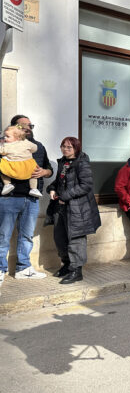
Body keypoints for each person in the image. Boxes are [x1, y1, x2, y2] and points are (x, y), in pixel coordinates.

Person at [0, 115, 51, 288]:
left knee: (27, 235)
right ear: (15, 128)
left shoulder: (38, 147)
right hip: (9, 197)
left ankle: (23, 268)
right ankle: (0, 269)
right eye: (24, 125)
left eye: (30, 125)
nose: (28, 128)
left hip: (32, 198)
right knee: (3, 236)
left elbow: (49, 169)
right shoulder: (4, 144)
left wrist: (45, 172)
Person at [46, 137, 101, 284]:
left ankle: (77, 271)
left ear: (76, 148)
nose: (65, 149)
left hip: (78, 209)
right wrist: (51, 189)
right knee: (60, 238)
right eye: (63, 146)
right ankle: (67, 265)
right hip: (61, 207)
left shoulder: (82, 163)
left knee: (76, 240)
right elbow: (59, 182)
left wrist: (65, 195)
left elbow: (86, 185)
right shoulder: (63, 162)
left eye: (69, 147)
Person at [0, 125, 41, 197]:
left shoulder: (6, 145)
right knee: (34, 172)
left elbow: (1, 151)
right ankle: (34, 188)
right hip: (27, 166)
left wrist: (1, 144)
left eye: (8, 136)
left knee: (2, 168)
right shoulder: (26, 142)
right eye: (5, 136)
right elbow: (35, 148)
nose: (5, 138)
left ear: (17, 137)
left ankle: (7, 184)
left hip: (13, 167)